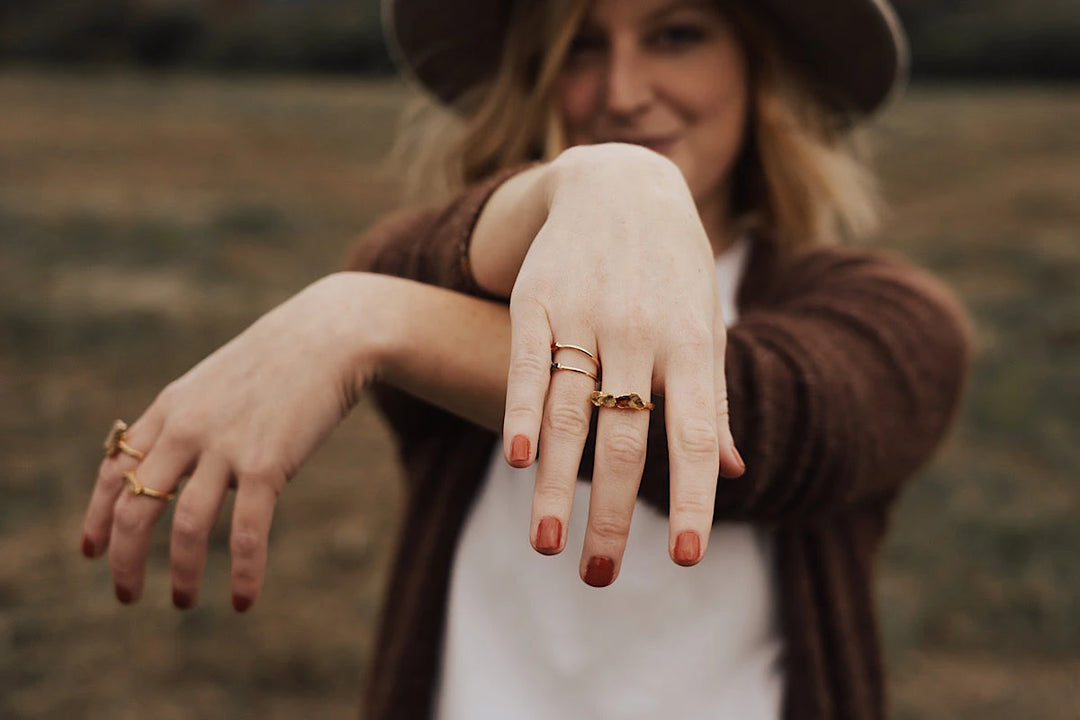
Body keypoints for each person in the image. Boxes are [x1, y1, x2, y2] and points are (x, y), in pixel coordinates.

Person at [82, 0, 971, 718]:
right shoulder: (468, 294)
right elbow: (402, 256)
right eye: (580, 45)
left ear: (757, 64)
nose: (623, 92)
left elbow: (768, 425)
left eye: (676, 34)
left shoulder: (894, 317)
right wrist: (598, 180)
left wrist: (367, 318)